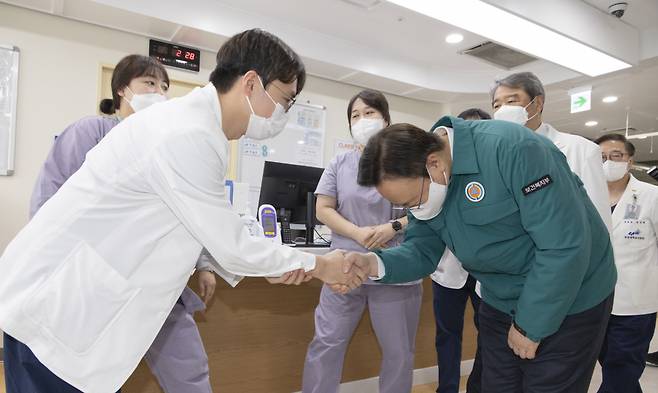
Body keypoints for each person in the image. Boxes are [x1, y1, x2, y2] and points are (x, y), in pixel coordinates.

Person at [0, 29, 365, 393]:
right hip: (59, 312)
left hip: (78, 308)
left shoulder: (197, 129)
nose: (284, 114)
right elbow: (232, 245)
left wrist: (278, 264)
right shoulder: (187, 133)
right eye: (284, 100)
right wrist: (318, 265)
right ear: (251, 84)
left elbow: (210, 230)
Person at [343, 117, 617, 393]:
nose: (414, 209)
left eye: (412, 202)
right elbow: (422, 250)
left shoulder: (513, 149)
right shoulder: (427, 178)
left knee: (548, 385)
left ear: (434, 163)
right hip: (500, 299)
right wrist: (371, 263)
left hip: (571, 296)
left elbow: (563, 246)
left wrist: (529, 327)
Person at [21, 54, 219, 393]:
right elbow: (50, 198)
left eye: (164, 87)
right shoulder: (90, 131)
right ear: (122, 90)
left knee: (189, 368)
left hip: (155, 280)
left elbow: (186, 213)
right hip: (95, 278)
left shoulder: (167, 145)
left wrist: (203, 262)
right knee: (89, 371)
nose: (159, 92)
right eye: (150, 83)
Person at [302, 90, 422, 393]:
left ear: (385, 118)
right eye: (355, 115)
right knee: (326, 343)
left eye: (369, 113)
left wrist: (393, 227)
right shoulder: (340, 163)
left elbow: (428, 209)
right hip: (343, 268)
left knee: (398, 352)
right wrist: (357, 234)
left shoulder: (410, 162)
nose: (362, 120)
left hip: (395, 272)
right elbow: (323, 209)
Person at [491, 72, 611, 230]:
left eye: (511, 101)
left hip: (566, 247)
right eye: (497, 105)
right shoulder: (493, 155)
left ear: (538, 103)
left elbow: (598, 218)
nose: (502, 110)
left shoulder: (582, 150)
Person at [430, 108, 490, 393]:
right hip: (447, 268)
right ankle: (448, 388)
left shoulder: (495, 172)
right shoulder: (439, 171)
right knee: (447, 335)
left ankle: (476, 387)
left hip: (487, 272)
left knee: (489, 332)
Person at [594, 134, 658, 393]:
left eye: (616, 155)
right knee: (611, 365)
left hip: (635, 301)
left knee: (622, 367)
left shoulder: (651, 196)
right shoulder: (586, 194)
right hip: (594, 300)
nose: (608, 161)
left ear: (629, 160)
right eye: (601, 157)